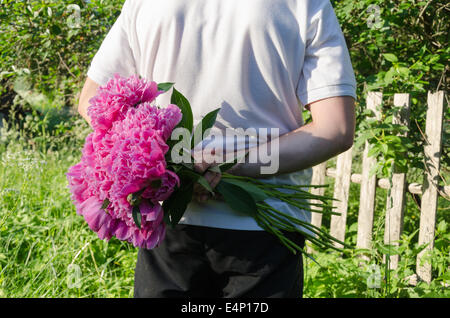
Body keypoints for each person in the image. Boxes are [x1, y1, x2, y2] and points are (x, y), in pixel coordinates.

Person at [77, 0, 356, 298]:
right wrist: (235, 165)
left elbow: (94, 101)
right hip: (265, 226)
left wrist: (166, 163)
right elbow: (335, 129)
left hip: (170, 219)